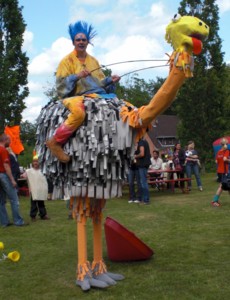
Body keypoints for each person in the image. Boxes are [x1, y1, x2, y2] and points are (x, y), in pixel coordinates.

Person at [46, 20, 120, 163]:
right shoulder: (66, 61)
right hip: (74, 97)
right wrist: (77, 76)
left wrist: (110, 80)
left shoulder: (94, 61)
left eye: (83, 40)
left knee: (121, 108)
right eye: (78, 39)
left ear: (88, 42)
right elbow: (60, 86)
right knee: (79, 113)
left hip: (96, 95)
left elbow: (100, 83)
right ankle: (55, 142)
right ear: (73, 42)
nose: (81, 42)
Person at [0, 133, 27, 227]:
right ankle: (18, 221)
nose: (10, 142)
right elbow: (6, 165)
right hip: (3, 175)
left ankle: (4, 222)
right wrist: (12, 180)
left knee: (1, 201)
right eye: (9, 140)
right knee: (14, 199)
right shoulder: (3, 150)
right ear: (5, 140)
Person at [21, 155, 50, 221]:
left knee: (41, 203)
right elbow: (23, 176)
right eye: (34, 161)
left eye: (37, 161)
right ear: (32, 163)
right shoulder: (29, 171)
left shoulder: (42, 171)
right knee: (33, 204)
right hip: (34, 191)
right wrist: (22, 175)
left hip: (40, 190)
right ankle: (33, 216)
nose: (35, 163)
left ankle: (43, 215)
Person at [212, 138, 230, 207]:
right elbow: (225, 159)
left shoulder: (219, 152)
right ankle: (214, 201)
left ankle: (215, 200)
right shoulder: (227, 151)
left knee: (228, 186)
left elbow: (216, 161)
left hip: (219, 171)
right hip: (224, 172)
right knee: (222, 186)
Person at [134, 138, 151, 204]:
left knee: (143, 182)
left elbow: (142, 153)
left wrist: (135, 156)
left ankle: (146, 200)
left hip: (143, 164)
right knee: (142, 182)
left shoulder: (141, 142)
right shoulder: (145, 141)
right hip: (144, 164)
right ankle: (142, 198)